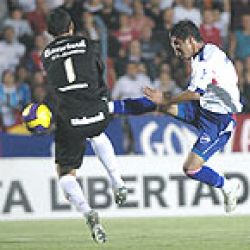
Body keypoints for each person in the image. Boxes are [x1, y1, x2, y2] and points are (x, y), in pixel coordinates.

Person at [110, 20, 242, 213]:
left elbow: (194, 93)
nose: (176, 52)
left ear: (190, 40)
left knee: (191, 168)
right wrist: (163, 101)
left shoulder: (207, 58)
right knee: (158, 102)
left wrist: (165, 99)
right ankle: (110, 107)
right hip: (202, 110)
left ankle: (228, 187)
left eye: (178, 45)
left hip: (219, 122)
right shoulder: (203, 55)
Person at [41, 9, 127, 244]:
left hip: (69, 116)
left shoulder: (46, 54)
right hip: (95, 108)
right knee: (97, 133)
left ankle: (88, 212)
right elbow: (99, 71)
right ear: (71, 27)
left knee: (65, 173)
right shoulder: (87, 43)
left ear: (50, 32)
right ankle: (117, 181)